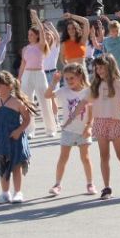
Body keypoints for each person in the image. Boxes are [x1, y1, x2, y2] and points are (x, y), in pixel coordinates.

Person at [87, 54, 120, 200]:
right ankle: (106, 188)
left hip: (116, 122)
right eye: (97, 68)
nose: (99, 70)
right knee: (104, 156)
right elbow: (88, 105)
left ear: (110, 66)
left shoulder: (119, 83)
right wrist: (86, 124)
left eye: (101, 67)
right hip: (100, 122)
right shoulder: (95, 84)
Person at [45, 64, 95, 196]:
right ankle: (57, 184)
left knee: (85, 158)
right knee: (63, 157)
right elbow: (47, 95)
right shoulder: (64, 91)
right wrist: (54, 82)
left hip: (83, 130)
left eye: (72, 78)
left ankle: (90, 184)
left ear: (80, 76)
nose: (69, 81)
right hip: (68, 130)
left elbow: (91, 111)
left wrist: (89, 127)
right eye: (66, 79)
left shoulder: (88, 91)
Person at [0, 71, 35, 204]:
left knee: (16, 166)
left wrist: (19, 131)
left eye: (0, 86)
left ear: (9, 86)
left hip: (15, 139)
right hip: (0, 140)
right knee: (3, 166)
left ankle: (18, 192)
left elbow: (27, 119)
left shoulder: (17, 102)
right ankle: (5, 193)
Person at [19, 9, 57, 139]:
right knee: (27, 103)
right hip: (27, 75)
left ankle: (50, 129)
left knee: (45, 101)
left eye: (31, 34)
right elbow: (22, 65)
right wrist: (19, 79)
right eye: (28, 34)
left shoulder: (41, 45)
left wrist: (35, 18)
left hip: (39, 75)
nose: (29, 36)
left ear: (36, 36)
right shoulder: (25, 49)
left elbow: (41, 30)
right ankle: (30, 130)